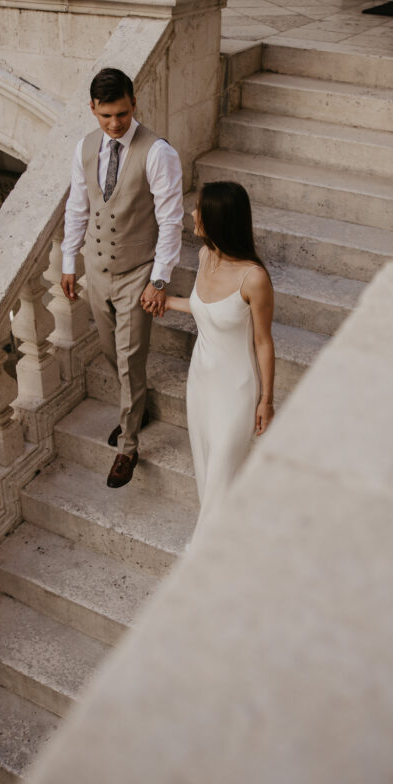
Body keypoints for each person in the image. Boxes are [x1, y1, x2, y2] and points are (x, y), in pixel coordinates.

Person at [61, 68, 183, 488]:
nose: (115, 124)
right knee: (112, 353)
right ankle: (139, 407)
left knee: (130, 360)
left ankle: (127, 446)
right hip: (95, 270)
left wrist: (160, 279)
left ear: (135, 103)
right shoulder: (84, 148)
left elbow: (171, 221)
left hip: (137, 273)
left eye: (124, 113)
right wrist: (68, 261)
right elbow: (79, 206)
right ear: (92, 109)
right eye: (107, 115)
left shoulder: (158, 152)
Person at [156, 181, 275, 533]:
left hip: (237, 389)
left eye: (199, 209)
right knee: (208, 472)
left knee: (222, 473)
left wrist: (266, 400)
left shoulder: (254, 279)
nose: (193, 213)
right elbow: (203, 309)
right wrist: (164, 302)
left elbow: (264, 342)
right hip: (201, 383)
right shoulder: (206, 256)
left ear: (218, 219)